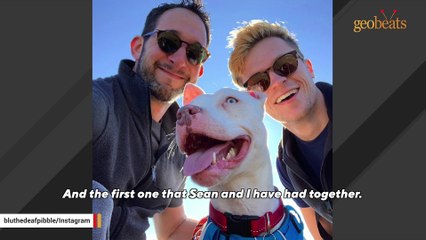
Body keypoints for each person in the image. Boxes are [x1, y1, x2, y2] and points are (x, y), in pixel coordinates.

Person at [92, 1, 211, 239]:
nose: (179, 59)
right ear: (138, 47)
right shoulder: (99, 103)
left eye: (194, 53)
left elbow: (173, 229)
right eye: (168, 41)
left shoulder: (179, 146)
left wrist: (230, 228)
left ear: (199, 71)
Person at [227, 20, 332, 239]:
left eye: (285, 64)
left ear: (309, 67)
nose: (276, 82)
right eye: (260, 81)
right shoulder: (286, 165)